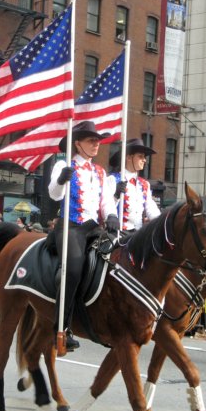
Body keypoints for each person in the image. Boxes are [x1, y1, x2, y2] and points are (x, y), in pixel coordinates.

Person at [48, 121, 119, 350]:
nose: (96, 144)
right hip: (71, 226)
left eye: (98, 141)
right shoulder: (63, 165)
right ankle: (61, 327)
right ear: (77, 144)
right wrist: (61, 180)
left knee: (118, 259)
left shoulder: (99, 171)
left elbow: (107, 199)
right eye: (91, 140)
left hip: (93, 227)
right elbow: (54, 195)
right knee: (74, 268)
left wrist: (111, 215)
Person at [106, 138, 161, 233]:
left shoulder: (144, 184)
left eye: (144, 157)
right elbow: (105, 206)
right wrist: (115, 196)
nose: (144, 160)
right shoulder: (112, 179)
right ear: (128, 157)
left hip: (138, 234)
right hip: (118, 233)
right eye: (140, 156)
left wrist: (160, 221)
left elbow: (151, 208)